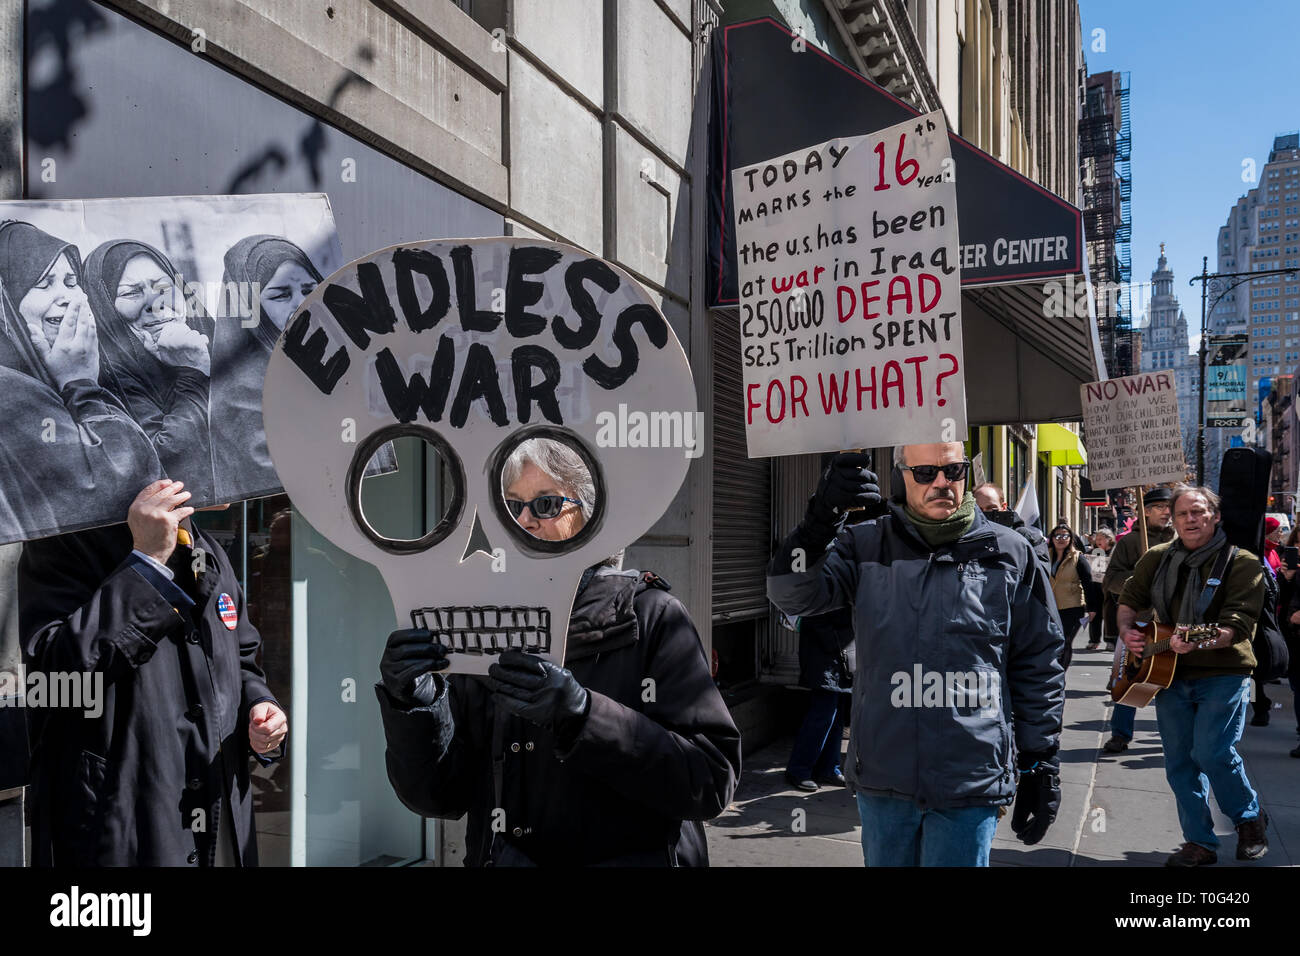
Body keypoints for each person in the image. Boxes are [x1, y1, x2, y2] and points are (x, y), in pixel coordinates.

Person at [376, 437, 741, 866]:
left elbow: (711, 780)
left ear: (590, 517)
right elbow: (438, 797)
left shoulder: (651, 616)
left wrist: (583, 715)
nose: (525, 521)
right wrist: (417, 706)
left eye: (545, 505)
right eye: (511, 506)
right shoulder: (484, 623)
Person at [769, 444, 1065, 867]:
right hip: (885, 778)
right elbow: (791, 595)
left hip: (970, 780)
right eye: (925, 472)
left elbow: (1039, 661)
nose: (942, 482)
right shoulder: (863, 543)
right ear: (900, 477)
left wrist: (1041, 758)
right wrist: (819, 522)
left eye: (953, 470)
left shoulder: (1011, 552)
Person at [19, 479, 288, 866]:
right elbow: (57, 680)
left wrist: (261, 707)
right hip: (126, 826)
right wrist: (146, 563)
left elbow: (242, 660)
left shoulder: (208, 549)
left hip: (222, 819)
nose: (225, 466)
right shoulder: (66, 541)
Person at [1118, 484, 1268, 866]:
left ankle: (1249, 817)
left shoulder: (1242, 562)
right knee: (1180, 761)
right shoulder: (1157, 558)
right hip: (1168, 673)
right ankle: (1200, 842)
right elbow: (1128, 600)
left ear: (1215, 516)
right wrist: (1128, 632)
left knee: (1212, 752)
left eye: (1199, 512)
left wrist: (1203, 640)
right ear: (1173, 518)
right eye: (1183, 513)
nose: (1191, 519)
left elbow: (1238, 623)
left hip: (1223, 669)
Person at [0, 220, 161, 540]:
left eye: (71, 281)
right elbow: (120, 485)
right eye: (44, 284)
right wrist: (80, 383)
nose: (66, 297)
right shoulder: (13, 391)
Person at [84, 239, 216, 503]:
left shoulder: (219, 345)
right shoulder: (103, 380)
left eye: (164, 287)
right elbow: (169, 470)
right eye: (132, 292)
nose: (155, 304)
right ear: (104, 306)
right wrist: (194, 372)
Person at [209, 235, 324, 500]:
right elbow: (281, 480)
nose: (301, 305)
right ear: (251, 307)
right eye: (281, 295)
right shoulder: (241, 390)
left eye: (310, 290)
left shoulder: (326, 360)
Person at [1099, 487, 1175, 753]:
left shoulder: (1181, 541)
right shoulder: (1131, 543)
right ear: (1146, 511)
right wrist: (1139, 578)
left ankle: (1174, 737)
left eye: (1170, 507)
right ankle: (1120, 735)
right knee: (1130, 683)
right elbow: (1111, 580)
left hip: (1172, 625)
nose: (1167, 512)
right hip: (1140, 624)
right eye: (1160, 507)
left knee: (1171, 685)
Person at [784, 606, 853, 792]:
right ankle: (799, 769)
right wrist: (836, 643)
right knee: (823, 713)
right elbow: (815, 615)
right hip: (827, 648)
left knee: (836, 714)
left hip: (840, 647)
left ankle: (828, 767)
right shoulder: (823, 582)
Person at [1048, 522, 1098, 670]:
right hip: (1050, 606)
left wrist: (1092, 608)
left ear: (1071, 538)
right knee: (1051, 641)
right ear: (1052, 538)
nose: (1061, 539)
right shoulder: (1044, 556)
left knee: (1065, 641)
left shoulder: (1078, 558)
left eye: (1065, 535)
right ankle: (1051, 672)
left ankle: (1060, 673)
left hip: (1072, 607)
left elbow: (1089, 583)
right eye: (1057, 535)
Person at [973, 481, 1050, 566]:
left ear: (1003, 507)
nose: (984, 514)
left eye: (991, 508)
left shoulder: (1029, 539)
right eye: (979, 510)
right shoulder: (967, 538)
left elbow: (1040, 573)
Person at [1085, 528, 1115, 650]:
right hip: (1096, 587)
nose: (1098, 541)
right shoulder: (1095, 551)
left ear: (1109, 539)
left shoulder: (1114, 552)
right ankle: (1094, 640)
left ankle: (1110, 641)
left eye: (1101, 539)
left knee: (1109, 615)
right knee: (1094, 614)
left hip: (1110, 589)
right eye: (1097, 539)